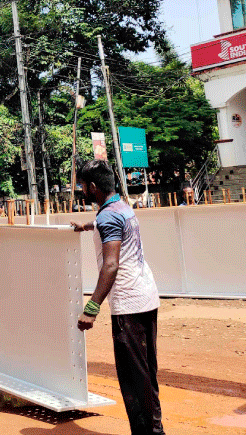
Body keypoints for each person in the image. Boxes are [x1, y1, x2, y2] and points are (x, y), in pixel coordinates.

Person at [72, 160, 164, 435]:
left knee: (134, 379)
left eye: (82, 187)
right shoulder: (121, 207)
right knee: (147, 372)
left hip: (129, 306)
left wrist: (91, 307)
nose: (81, 192)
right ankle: (155, 430)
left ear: (92, 187)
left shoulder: (107, 217)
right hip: (147, 297)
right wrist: (87, 227)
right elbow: (108, 225)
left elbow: (110, 265)